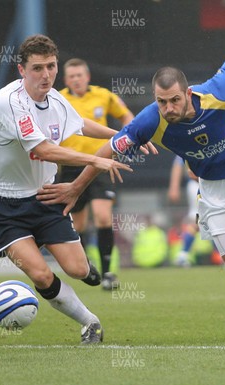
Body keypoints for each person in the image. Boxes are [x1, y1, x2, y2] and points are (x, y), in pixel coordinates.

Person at [39, 44, 225, 341]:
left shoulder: (219, 89)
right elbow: (109, 149)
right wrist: (76, 186)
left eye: (174, 100)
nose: (169, 108)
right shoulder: (150, 120)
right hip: (212, 187)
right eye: (162, 102)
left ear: (187, 93)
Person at [0, 35, 136, 344]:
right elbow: (43, 150)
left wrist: (126, 136)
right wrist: (95, 161)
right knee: (42, 275)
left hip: (43, 196)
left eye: (51, 66)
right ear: (22, 70)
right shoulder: (11, 102)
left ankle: (87, 272)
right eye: (38, 68)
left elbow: (81, 124)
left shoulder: (55, 99)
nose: (46, 75)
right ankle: (89, 323)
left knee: (77, 268)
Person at [59, 58, 135, 290]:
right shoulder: (59, 99)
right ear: (66, 80)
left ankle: (108, 272)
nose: (76, 79)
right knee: (78, 225)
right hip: (70, 166)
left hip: (101, 164)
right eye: (71, 76)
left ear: (87, 77)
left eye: (79, 75)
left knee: (103, 217)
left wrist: (129, 135)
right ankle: (86, 268)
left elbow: (125, 115)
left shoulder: (103, 95)